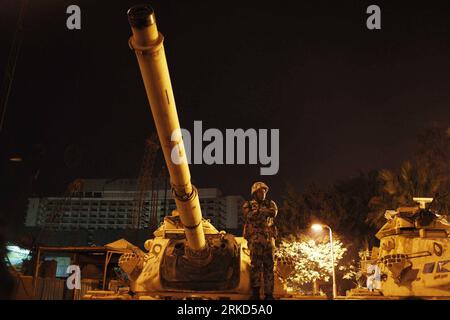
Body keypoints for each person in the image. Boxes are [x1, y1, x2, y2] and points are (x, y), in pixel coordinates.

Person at [242, 182, 278, 300]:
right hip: (255, 240)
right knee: (255, 266)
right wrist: (262, 212)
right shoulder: (248, 204)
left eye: (264, 191)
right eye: (260, 191)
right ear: (254, 193)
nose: (262, 193)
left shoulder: (271, 203)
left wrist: (259, 212)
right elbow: (249, 216)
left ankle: (269, 294)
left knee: (269, 267)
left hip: (268, 240)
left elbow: (273, 213)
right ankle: (256, 293)